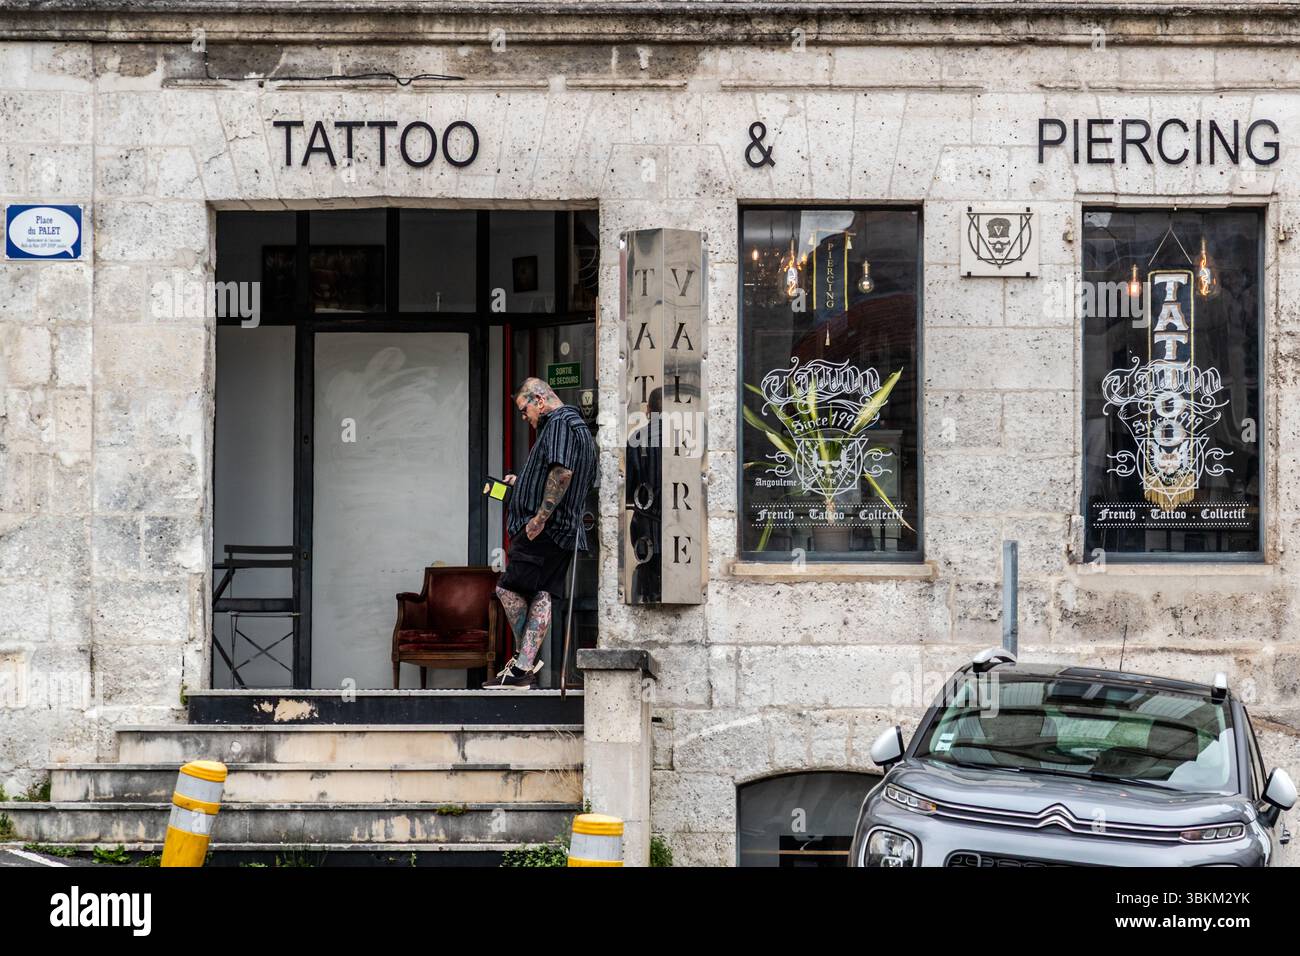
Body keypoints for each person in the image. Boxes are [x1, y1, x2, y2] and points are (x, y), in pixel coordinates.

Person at [484, 377, 597, 688]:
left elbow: (562, 473)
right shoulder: (577, 428)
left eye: (525, 410)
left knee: (507, 588)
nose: (524, 417)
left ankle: (524, 663)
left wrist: (539, 519)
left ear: (539, 400)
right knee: (543, 592)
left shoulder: (560, 423)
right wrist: (522, 484)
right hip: (561, 532)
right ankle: (524, 668)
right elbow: (558, 472)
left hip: (545, 532)